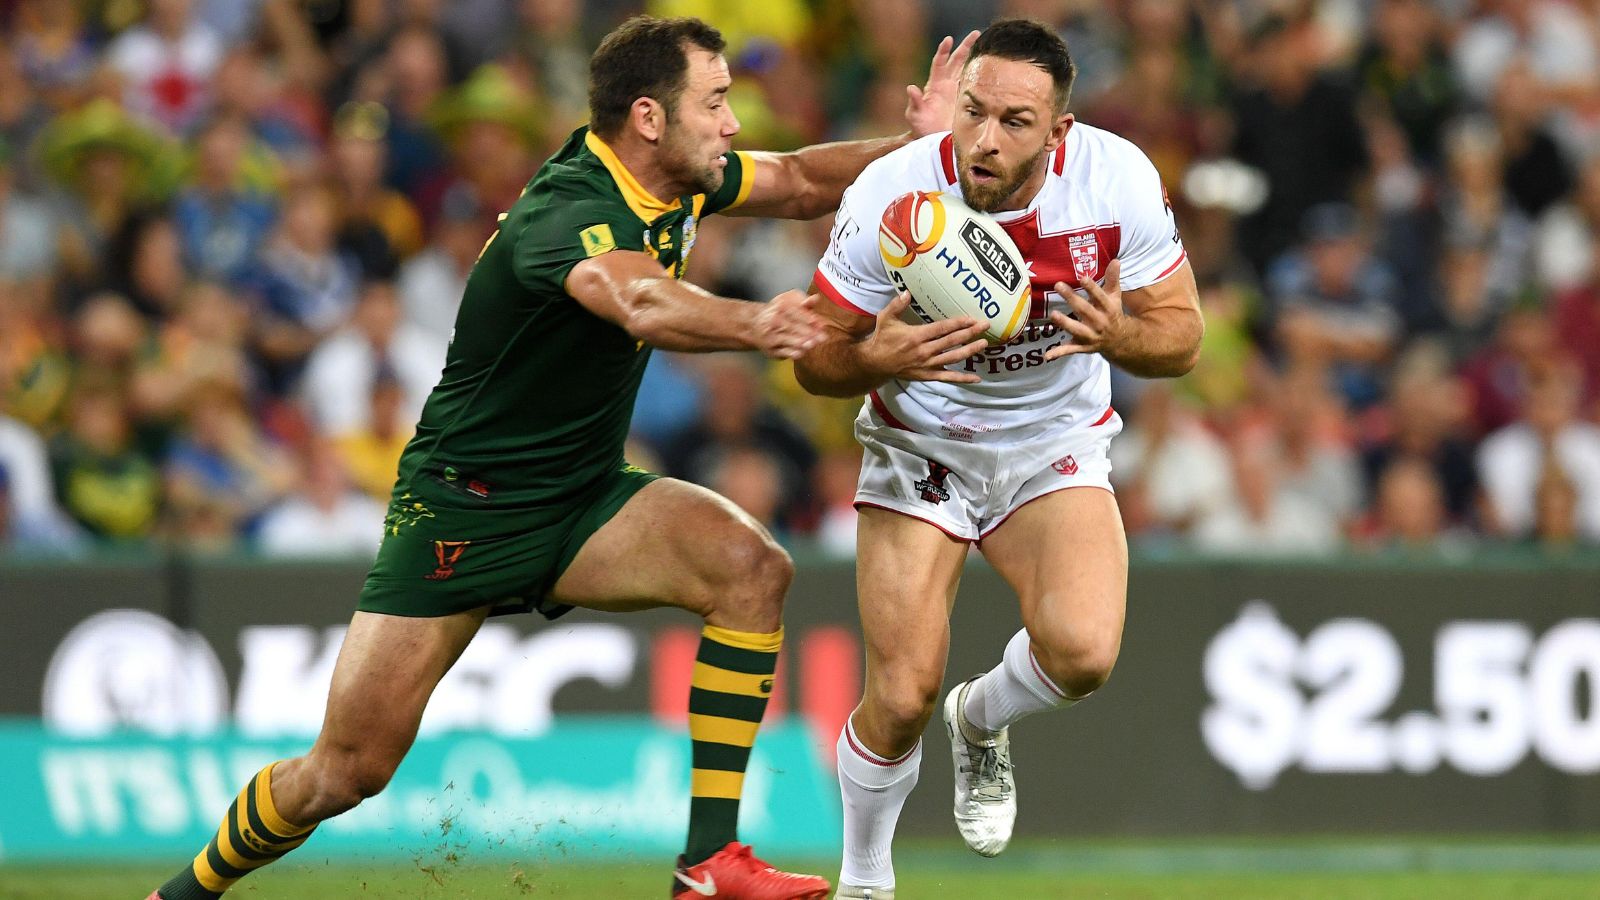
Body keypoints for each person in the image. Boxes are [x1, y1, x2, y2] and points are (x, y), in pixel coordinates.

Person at [147, 15, 975, 900]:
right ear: (650, 117)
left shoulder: (678, 180)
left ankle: (707, 864)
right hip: (462, 514)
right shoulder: (568, 209)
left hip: (583, 499)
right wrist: (753, 321)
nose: (733, 124)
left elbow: (806, 178)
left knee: (749, 567)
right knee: (345, 771)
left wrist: (916, 151)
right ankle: (187, 891)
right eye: (717, 101)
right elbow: (642, 302)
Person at [793, 20, 1203, 900]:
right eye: (973, 111)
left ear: (1059, 132)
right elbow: (814, 358)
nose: (984, 137)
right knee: (898, 695)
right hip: (920, 443)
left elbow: (1184, 339)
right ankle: (865, 880)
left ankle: (981, 720)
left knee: (1085, 653)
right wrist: (873, 358)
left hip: (1050, 440)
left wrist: (1120, 333)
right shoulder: (892, 192)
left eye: (1015, 121)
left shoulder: (1114, 178)